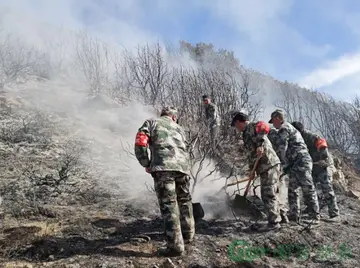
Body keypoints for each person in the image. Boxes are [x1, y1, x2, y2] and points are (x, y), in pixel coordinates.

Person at [134, 106, 195, 256]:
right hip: (183, 168)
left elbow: (141, 142)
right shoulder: (179, 128)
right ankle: (188, 235)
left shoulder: (151, 122)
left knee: (169, 205)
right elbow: (186, 149)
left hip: (163, 168)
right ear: (174, 117)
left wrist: (146, 162)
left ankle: (175, 247)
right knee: (185, 200)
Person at [231, 112, 288, 230]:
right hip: (264, 166)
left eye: (235, 125)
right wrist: (252, 171)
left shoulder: (253, 126)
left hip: (269, 163)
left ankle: (274, 223)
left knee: (268, 193)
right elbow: (251, 155)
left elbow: (263, 127)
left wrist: (261, 144)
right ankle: (282, 216)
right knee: (273, 192)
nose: (236, 128)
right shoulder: (245, 135)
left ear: (238, 122)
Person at [268, 109, 320, 224]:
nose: (273, 124)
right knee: (292, 189)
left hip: (301, 160)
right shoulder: (286, 128)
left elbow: (282, 147)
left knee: (307, 187)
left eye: (273, 121)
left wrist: (282, 163)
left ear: (277, 119)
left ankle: (314, 216)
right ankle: (294, 215)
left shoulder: (284, 128)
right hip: (295, 163)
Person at [291, 121, 340, 221]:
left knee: (327, 189)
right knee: (308, 189)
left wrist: (323, 159)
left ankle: (334, 214)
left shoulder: (311, 136)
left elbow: (322, 145)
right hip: (310, 166)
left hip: (321, 166)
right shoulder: (296, 138)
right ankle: (311, 209)